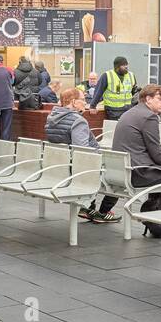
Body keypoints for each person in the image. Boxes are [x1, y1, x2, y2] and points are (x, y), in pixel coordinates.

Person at [45, 87, 119, 224]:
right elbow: (83, 151)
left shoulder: (51, 118)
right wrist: (100, 156)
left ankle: (88, 208)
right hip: (80, 168)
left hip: (61, 165)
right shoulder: (77, 120)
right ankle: (103, 212)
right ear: (73, 102)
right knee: (117, 172)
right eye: (83, 100)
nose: (86, 103)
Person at [111, 83, 161, 210]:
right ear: (148, 99)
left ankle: (155, 218)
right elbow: (157, 153)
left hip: (122, 170)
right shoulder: (149, 117)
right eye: (160, 98)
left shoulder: (130, 112)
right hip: (138, 173)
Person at [90, 56, 138, 120]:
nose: (126, 67)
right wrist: (93, 106)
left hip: (128, 109)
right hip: (113, 110)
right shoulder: (107, 75)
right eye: (123, 65)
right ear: (117, 67)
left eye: (126, 64)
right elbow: (98, 91)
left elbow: (133, 91)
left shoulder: (131, 75)